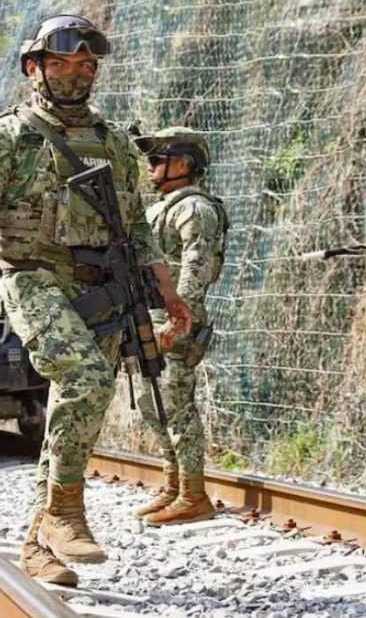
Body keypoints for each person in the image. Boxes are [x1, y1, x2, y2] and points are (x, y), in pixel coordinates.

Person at [0, 15, 192, 583]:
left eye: (86, 65)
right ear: (34, 67)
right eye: (61, 63)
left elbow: (135, 224)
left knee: (77, 408)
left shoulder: (111, 140)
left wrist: (166, 291)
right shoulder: (4, 137)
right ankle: (65, 510)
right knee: (85, 378)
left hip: (103, 283)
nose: (75, 74)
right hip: (34, 276)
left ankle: (38, 546)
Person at [131, 127, 228, 526]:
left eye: (158, 159)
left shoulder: (193, 208)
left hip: (173, 320)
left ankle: (193, 493)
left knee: (177, 407)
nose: (151, 167)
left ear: (184, 163)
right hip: (152, 318)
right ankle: (172, 485)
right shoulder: (166, 206)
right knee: (151, 404)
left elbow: (196, 264)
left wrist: (179, 315)